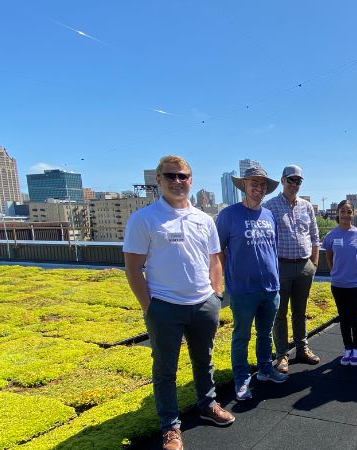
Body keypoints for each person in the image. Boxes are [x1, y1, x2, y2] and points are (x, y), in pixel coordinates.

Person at [123, 155, 234, 450]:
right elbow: (133, 268)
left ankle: (208, 405)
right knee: (165, 370)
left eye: (183, 176)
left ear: (191, 180)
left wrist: (216, 295)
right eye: (170, 176)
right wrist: (150, 307)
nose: (177, 181)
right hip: (165, 307)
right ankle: (170, 428)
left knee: (204, 360)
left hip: (203, 304)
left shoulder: (204, 219)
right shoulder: (144, 219)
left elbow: (215, 260)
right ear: (158, 180)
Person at [216, 166, 288, 403]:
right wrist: (227, 277)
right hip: (242, 290)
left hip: (270, 288)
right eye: (254, 184)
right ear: (244, 186)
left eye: (263, 185)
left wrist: (275, 280)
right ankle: (241, 378)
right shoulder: (228, 215)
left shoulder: (269, 215)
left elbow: (272, 249)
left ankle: (266, 368)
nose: (259, 189)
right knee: (241, 336)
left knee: (265, 334)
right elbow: (218, 252)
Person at [263, 165, 321, 374]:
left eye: (298, 181)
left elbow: (315, 236)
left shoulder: (306, 206)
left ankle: (302, 349)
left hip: (304, 266)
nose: (295, 184)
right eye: (291, 180)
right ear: (282, 180)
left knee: (300, 311)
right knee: (280, 313)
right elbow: (266, 240)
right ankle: (282, 354)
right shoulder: (270, 206)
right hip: (281, 266)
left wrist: (313, 263)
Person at [322, 199, 357, 366]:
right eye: (342, 211)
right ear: (337, 213)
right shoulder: (331, 235)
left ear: (353, 214)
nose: (345, 215)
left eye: (349, 212)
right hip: (338, 283)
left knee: (355, 318)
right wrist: (334, 270)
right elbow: (328, 255)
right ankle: (348, 348)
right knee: (344, 318)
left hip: (356, 283)